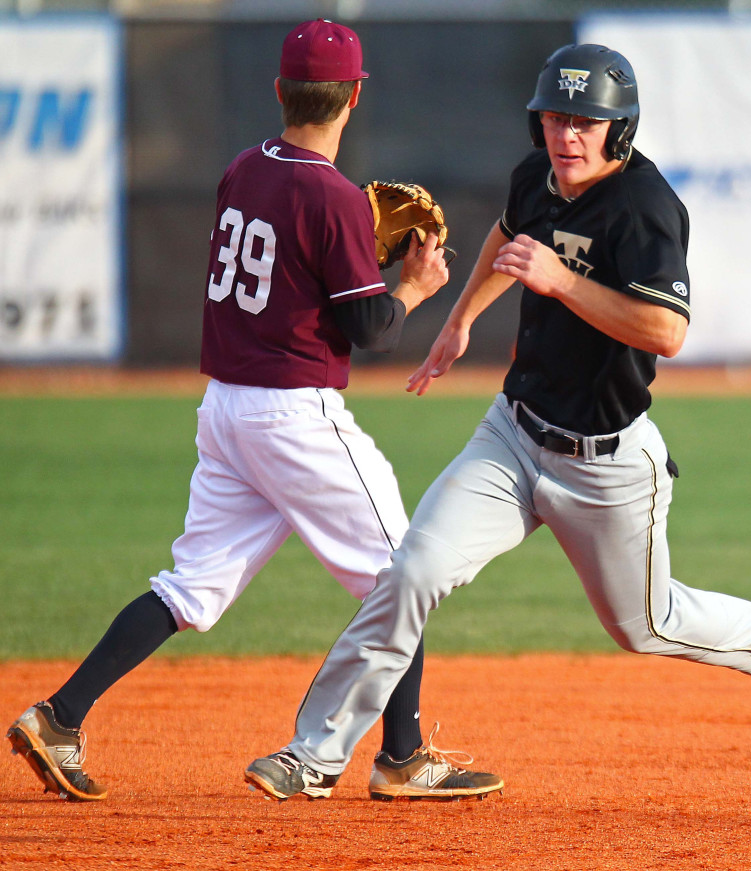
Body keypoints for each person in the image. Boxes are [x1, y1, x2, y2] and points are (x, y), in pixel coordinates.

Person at [244, 43, 751, 801]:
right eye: (555, 117)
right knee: (412, 569)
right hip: (513, 436)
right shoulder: (538, 178)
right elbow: (507, 235)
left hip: (608, 463)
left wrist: (563, 281)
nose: (567, 136)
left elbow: (666, 333)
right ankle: (314, 753)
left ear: (620, 130)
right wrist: (460, 319)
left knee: (646, 624)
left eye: (586, 122)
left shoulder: (647, 209)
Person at [7, 18, 502, 804]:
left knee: (191, 586)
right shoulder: (334, 195)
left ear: (281, 90)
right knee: (406, 568)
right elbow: (371, 328)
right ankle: (402, 757)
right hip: (292, 416)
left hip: (226, 410)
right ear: (352, 100)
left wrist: (358, 260)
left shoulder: (243, 169)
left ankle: (60, 715)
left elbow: (299, 284)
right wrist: (413, 284)